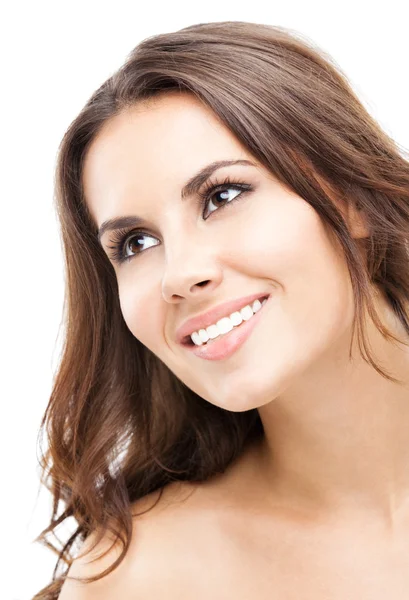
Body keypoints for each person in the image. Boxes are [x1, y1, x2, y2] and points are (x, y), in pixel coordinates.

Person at [33, 21, 409, 600]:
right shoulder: (140, 577)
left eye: (222, 196)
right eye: (135, 243)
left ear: (351, 196)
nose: (181, 274)